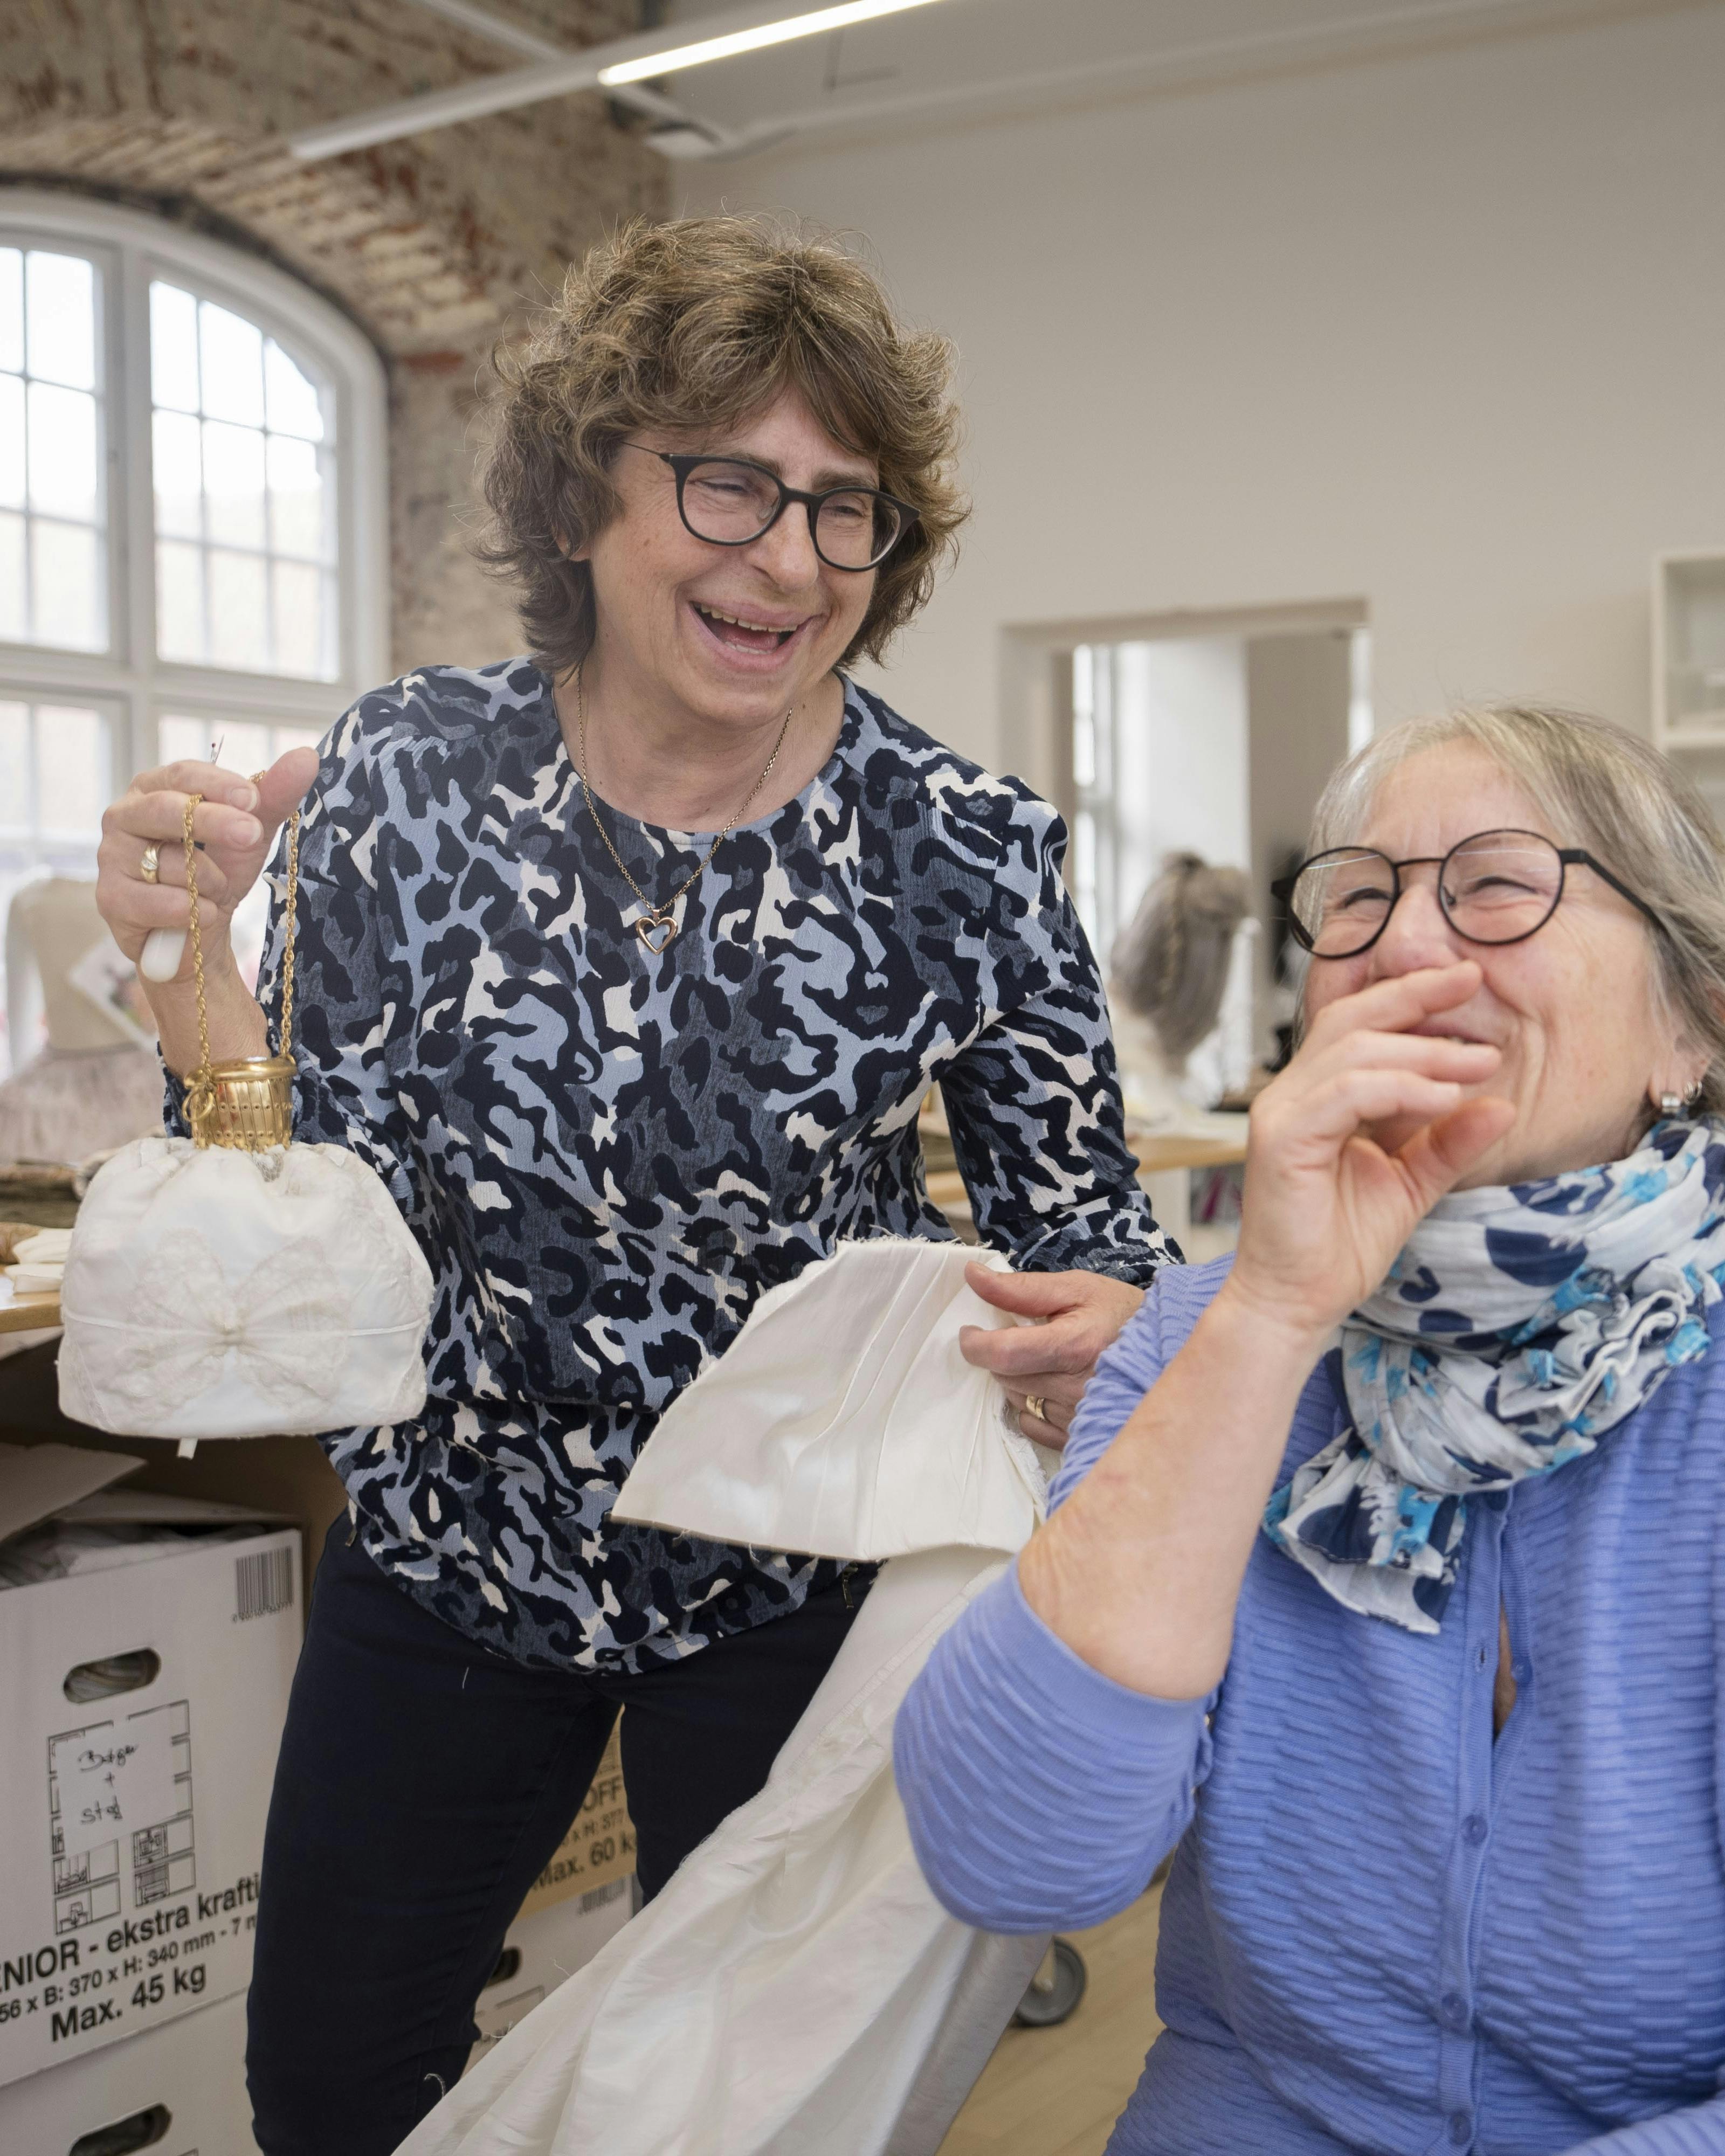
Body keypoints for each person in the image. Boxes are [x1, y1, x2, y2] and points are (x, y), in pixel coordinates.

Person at [93, 216, 1173, 2156]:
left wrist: (1098, 1345)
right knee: (330, 2089)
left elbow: (1086, 1239)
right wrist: (195, 998)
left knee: (750, 2111)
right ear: (589, 491)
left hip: (786, 1578)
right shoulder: (404, 777)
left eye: (846, 510)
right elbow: (286, 1210)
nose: (789, 558)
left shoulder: (965, 852)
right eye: (731, 482)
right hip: (448, 1553)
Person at [897, 702, 1725, 2155]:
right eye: (1358, 900)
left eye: (1497, 882)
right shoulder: (1200, 1336)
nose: (1406, 948)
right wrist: (1267, 1317)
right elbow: (1009, 1861)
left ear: (1689, 1024)